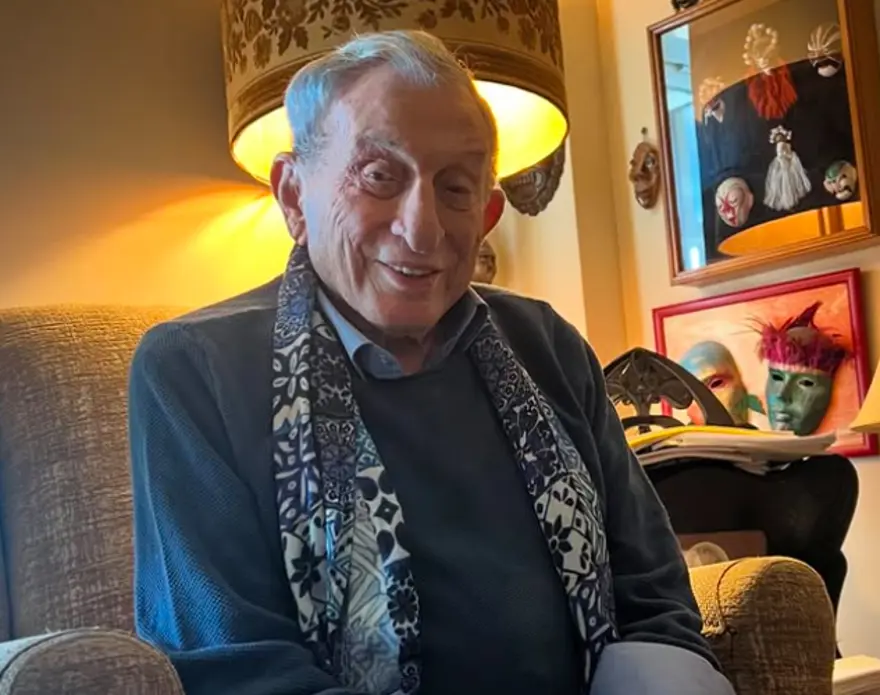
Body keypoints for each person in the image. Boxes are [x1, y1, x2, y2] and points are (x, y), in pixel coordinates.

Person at [129, 30, 735, 695]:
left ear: (488, 213)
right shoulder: (194, 369)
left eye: (456, 188)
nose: (422, 229)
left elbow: (654, 598)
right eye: (379, 176)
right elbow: (235, 667)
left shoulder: (548, 345)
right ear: (294, 196)